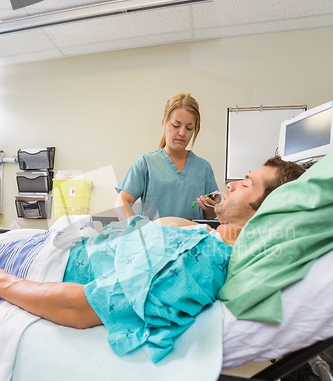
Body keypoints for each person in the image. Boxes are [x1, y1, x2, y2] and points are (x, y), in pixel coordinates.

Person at [0, 156, 304, 362]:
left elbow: (82, 307)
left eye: (246, 183)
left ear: (263, 210)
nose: (232, 183)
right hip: (54, 241)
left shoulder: (203, 258)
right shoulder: (208, 236)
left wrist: (4, 283)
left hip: (40, 263)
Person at [114, 92, 220, 221]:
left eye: (189, 128)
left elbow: (212, 215)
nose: (182, 133)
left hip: (192, 240)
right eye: (176, 125)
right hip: (155, 239)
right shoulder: (147, 163)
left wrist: (210, 210)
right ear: (164, 122)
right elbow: (122, 201)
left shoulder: (203, 168)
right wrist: (136, 231)